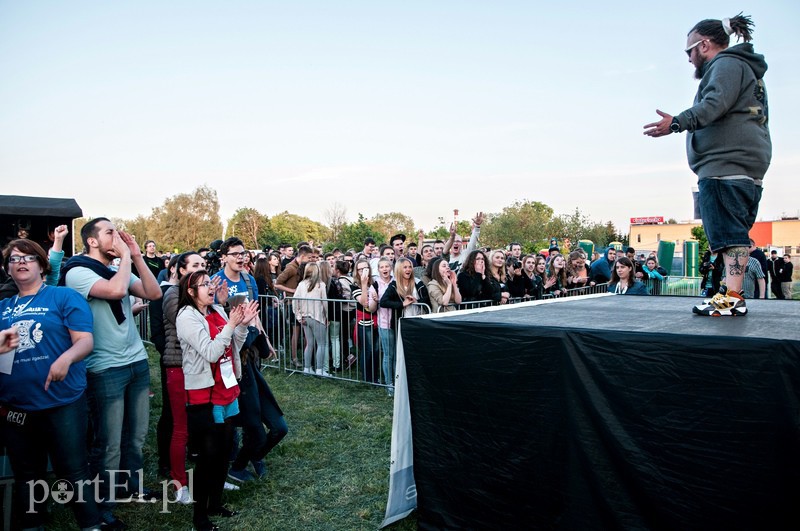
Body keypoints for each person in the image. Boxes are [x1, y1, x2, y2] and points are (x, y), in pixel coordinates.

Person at [644, 13, 770, 316]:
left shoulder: (726, 65)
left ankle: (733, 297)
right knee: (730, 236)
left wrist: (677, 123)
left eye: (689, 51)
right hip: (742, 164)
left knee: (731, 236)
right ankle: (730, 294)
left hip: (725, 166)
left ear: (704, 44)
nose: (688, 59)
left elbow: (714, 105)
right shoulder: (744, 69)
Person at [60, 217, 163, 526]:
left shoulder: (112, 267)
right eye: (110, 232)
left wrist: (137, 256)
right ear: (92, 241)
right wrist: (126, 257)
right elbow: (118, 291)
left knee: (136, 435)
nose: (117, 236)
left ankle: (133, 487)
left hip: (135, 361)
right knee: (109, 442)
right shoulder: (77, 271)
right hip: (105, 367)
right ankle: (103, 505)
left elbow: (153, 292)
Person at [0, 239, 104, 530]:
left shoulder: (63, 297)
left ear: (42, 264)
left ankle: (90, 524)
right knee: (27, 473)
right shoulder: (3, 307)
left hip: (62, 401)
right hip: (16, 406)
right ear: (7, 269)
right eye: (14, 259)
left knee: (73, 470)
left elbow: (84, 342)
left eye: (28, 257)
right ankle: (33, 525)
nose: (20, 262)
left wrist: (65, 359)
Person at [177, 270, 257, 531]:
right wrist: (232, 325)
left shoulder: (216, 310)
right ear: (191, 292)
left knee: (224, 451)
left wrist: (242, 323)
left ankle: (215, 503)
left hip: (227, 388)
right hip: (204, 394)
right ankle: (199, 517)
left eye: (210, 283)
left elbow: (234, 344)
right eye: (204, 285)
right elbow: (211, 352)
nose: (211, 288)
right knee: (208, 455)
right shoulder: (187, 317)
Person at [161, 251, 209, 504]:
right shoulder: (172, 294)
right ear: (180, 270)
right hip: (178, 366)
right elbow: (190, 326)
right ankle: (179, 482)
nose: (201, 269)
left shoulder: (203, 295)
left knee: (206, 425)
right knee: (181, 428)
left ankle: (210, 474)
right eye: (194, 265)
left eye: (203, 265)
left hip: (202, 366)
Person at [379, 258, 430, 391]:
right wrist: (402, 304)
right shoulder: (394, 285)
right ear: (399, 269)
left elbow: (427, 301)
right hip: (401, 324)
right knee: (399, 354)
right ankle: (395, 384)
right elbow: (383, 302)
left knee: (415, 353)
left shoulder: (418, 283)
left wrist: (416, 300)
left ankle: (414, 382)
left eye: (410, 267)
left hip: (417, 323)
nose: (408, 269)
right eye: (405, 267)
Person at [293, 262, 329, 376]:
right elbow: (325, 303)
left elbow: (295, 301)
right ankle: (319, 369)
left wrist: (299, 316)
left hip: (305, 317)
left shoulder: (301, 284)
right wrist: (327, 316)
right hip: (317, 317)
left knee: (310, 343)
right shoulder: (320, 284)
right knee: (321, 344)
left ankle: (307, 368)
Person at [351, 258, 380, 383]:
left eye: (365, 268)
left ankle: (375, 376)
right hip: (364, 321)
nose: (363, 271)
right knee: (367, 350)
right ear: (356, 271)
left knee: (376, 350)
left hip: (378, 319)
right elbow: (364, 303)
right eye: (360, 269)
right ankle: (367, 378)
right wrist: (363, 285)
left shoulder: (375, 283)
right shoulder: (354, 285)